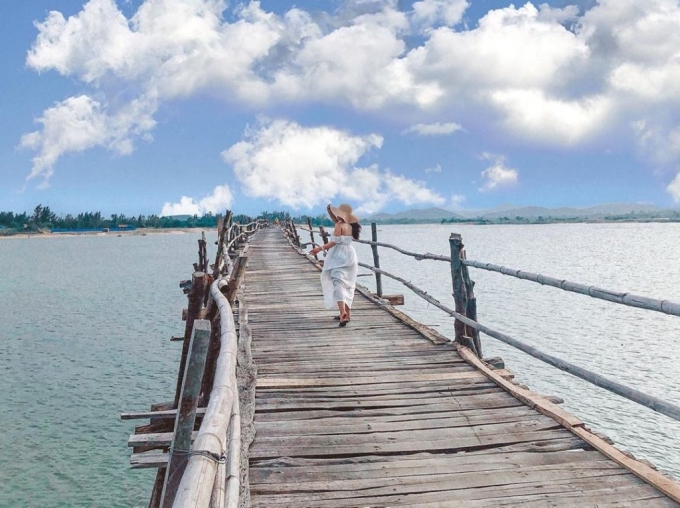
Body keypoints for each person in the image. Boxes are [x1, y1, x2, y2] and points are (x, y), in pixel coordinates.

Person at [309, 203, 361, 327]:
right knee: (349, 284)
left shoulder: (339, 225)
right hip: (350, 255)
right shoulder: (349, 226)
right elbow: (336, 222)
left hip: (339, 256)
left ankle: (342, 313)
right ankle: (347, 313)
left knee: (338, 283)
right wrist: (330, 211)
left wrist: (319, 248)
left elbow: (334, 242)